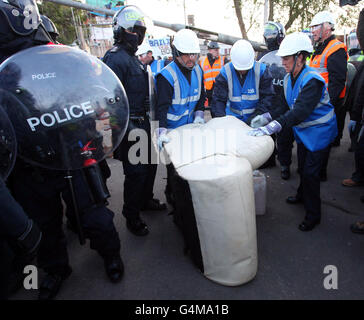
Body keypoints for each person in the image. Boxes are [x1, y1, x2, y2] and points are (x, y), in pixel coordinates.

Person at [1, 0, 124, 300]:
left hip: (73, 153)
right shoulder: (4, 71)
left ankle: (111, 254)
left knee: (95, 214)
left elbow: (95, 98)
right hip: (28, 165)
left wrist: (100, 139)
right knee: (44, 224)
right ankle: (55, 269)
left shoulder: (64, 60)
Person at [248, 32, 337, 231]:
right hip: (306, 132)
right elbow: (284, 106)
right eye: (282, 57)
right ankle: (301, 195)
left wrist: (272, 126)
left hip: (320, 132)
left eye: (286, 58)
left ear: (300, 57)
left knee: (311, 173)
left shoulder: (312, 80)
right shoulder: (289, 79)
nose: (282, 62)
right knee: (303, 166)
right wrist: (267, 117)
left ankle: (313, 214)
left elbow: (299, 112)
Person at [103, 6, 166, 237]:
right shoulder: (115, 58)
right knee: (136, 173)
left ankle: (145, 200)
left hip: (143, 123)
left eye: (141, 31)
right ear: (125, 30)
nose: (139, 35)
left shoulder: (131, 58)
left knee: (150, 167)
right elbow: (107, 97)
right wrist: (122, 129)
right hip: (130, 126)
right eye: (136, 30)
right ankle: (131, 215)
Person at [154, 28, 206, 205]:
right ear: (176, 54)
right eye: (186, 55)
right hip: (172, 132)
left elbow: (201, 98)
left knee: (190, 166)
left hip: (190, 128)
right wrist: (161, 132)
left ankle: (185, 196)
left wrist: (199, 116)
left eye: (194, 54)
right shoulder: (167, 76)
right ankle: (173, 197)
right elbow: (161, 107)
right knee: (174, 170)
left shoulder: (198, 71)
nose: (191, 58)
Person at [308, 10, 348, 181]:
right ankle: (314, 171)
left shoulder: (335, 48)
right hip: (317, 102)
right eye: (312, 27)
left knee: (322, 141)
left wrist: (327, 105)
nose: (313, 30)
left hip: (327, 104)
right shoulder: (319, 48)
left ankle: (319, 173)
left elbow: (337, 82)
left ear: (327, 27)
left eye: (316, 26)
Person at [211, 39, 274, 126]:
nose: (242, 71)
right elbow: (218, 101)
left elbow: (267, 99)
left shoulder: (262, 72)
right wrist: (221, 121)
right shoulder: (225, 73)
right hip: (231, 123)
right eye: (239, 69)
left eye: (245, 68)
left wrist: (256, 117)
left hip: (255, 121)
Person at [259, 21, 294, 175]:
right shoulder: (262, 55)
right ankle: (268, 158)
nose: (269, 37)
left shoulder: (287, 52)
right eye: (267, 33)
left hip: (284, 99)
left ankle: (285, 165)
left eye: (272, 33)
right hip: (269, 99)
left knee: (285, 134)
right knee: (268, 133)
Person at [199, 41, 228, 110]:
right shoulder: (202, 61)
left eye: (218, 49)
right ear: (210, 50)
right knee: (212, 110)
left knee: (220, 109)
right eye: (216, 50)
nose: (218, 51)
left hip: (220, 90)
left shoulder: (223, 60)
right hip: (208, 91)